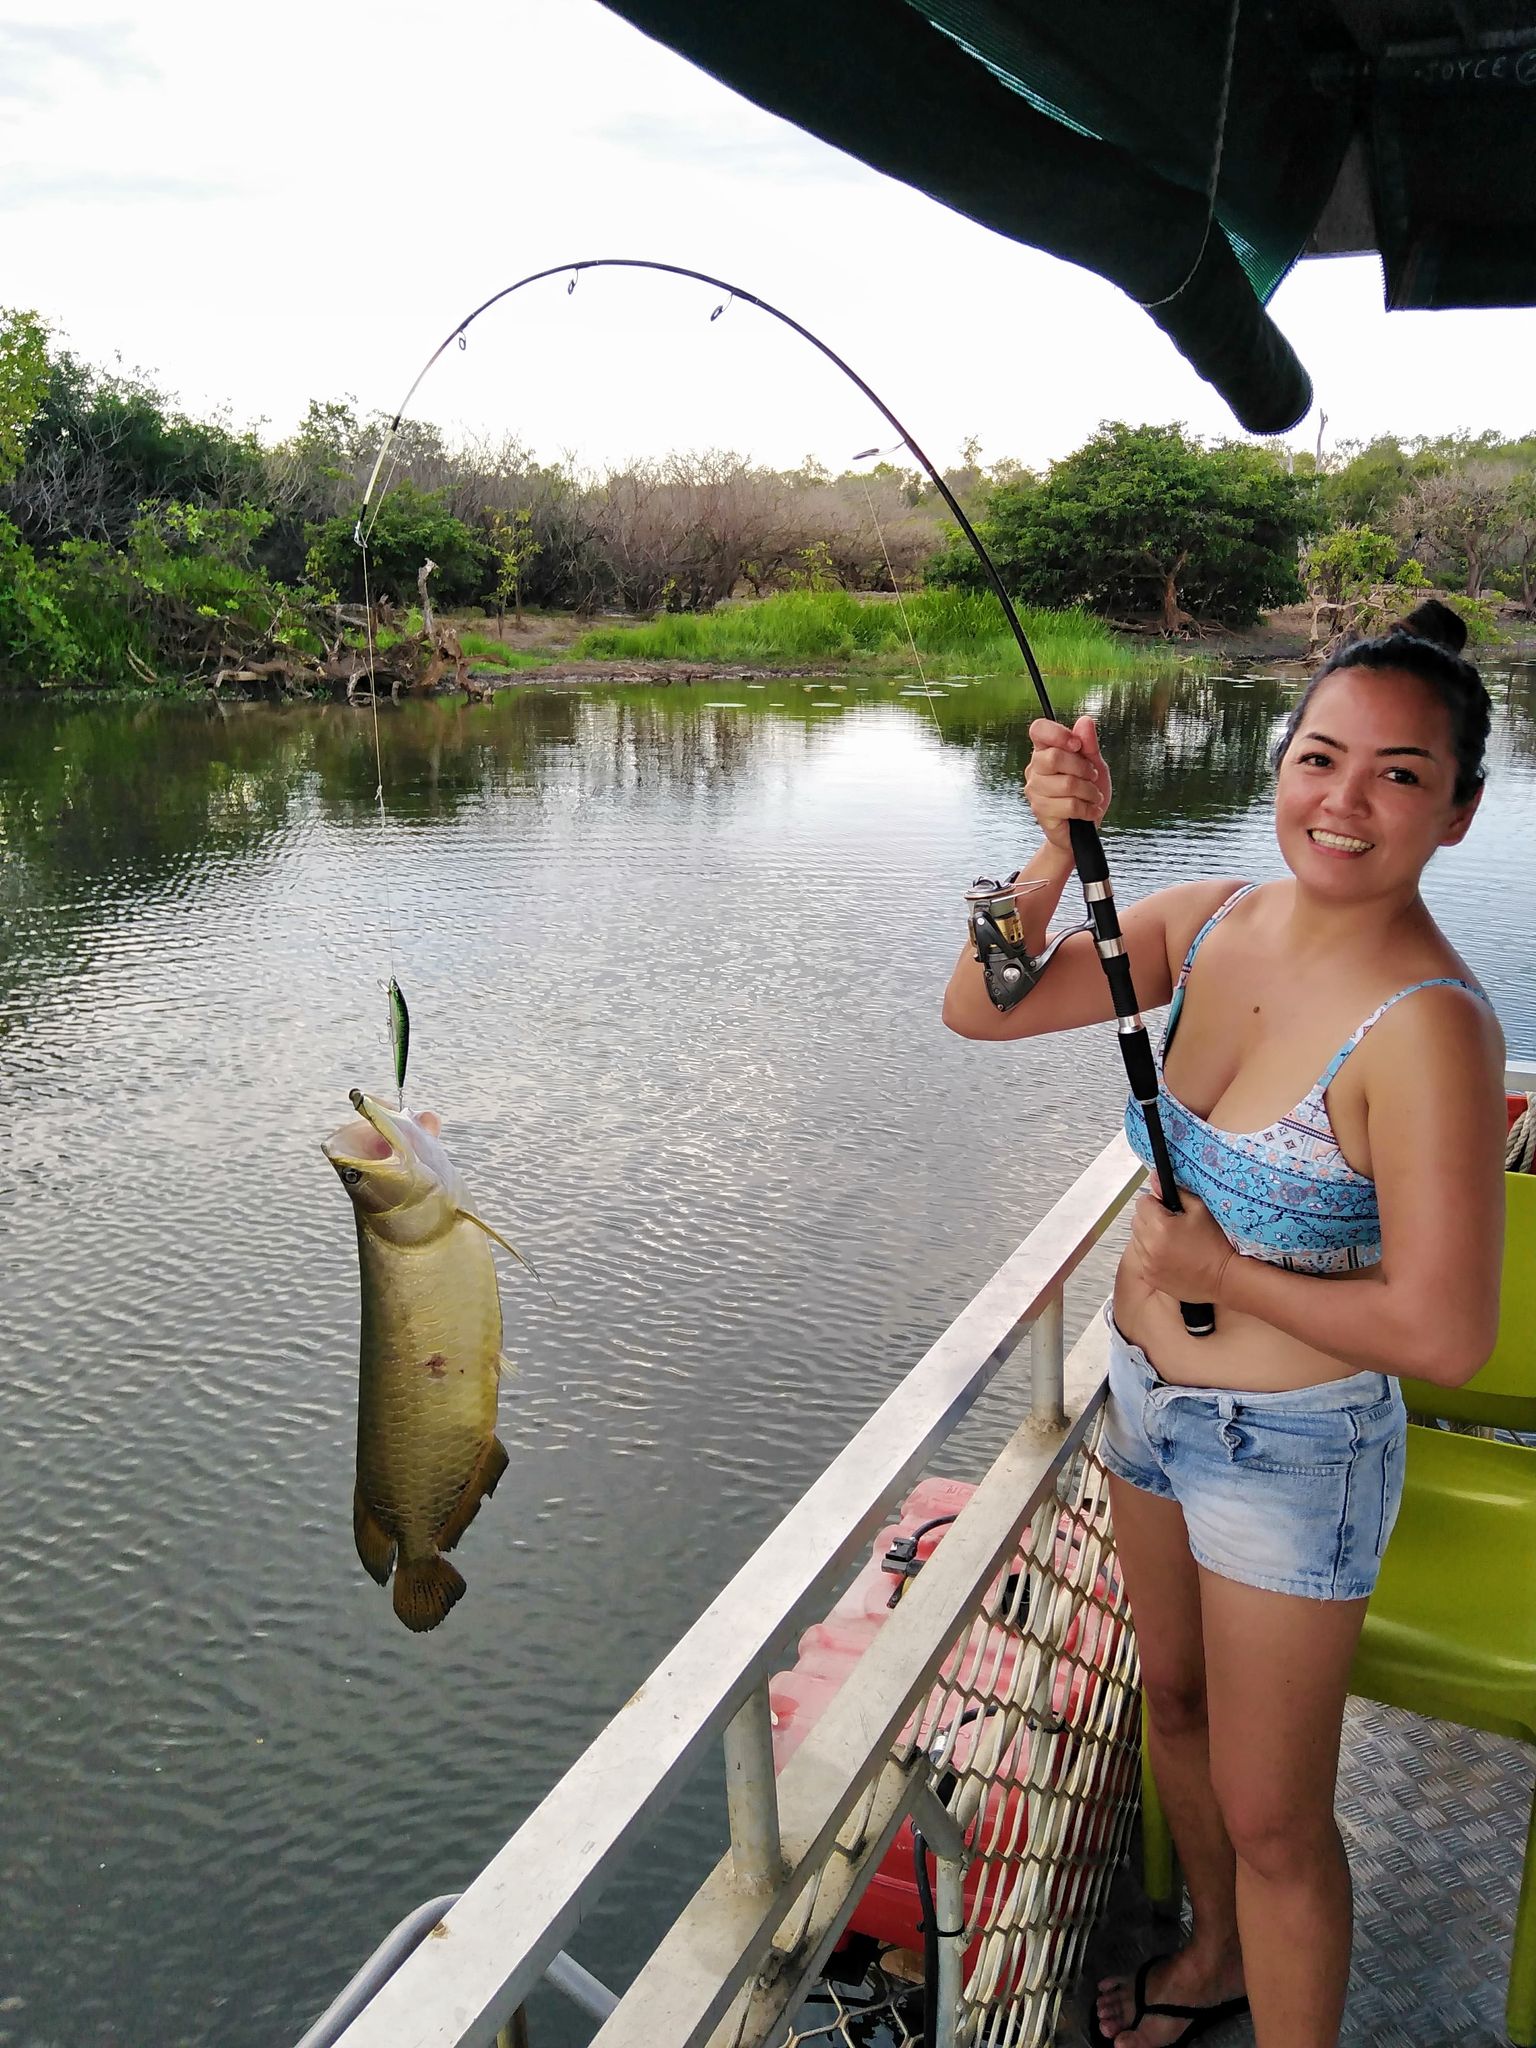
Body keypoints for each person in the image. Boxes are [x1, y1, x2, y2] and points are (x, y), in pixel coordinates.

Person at [942, 601, 1507, 2048]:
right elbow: (982, 1008)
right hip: (1147, 1403)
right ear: (1281, 764)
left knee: (1277, 1824)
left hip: (1292, 1447)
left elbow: (1445, 1335)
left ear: (1459, 810)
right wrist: (1060, 848)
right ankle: (1214, 1964)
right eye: (1322, 757)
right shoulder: (1205, 923)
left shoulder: (1431, 1027)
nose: (1346, 800)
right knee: (1174, 1708)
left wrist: (1232, 1272)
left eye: (1399, 773)